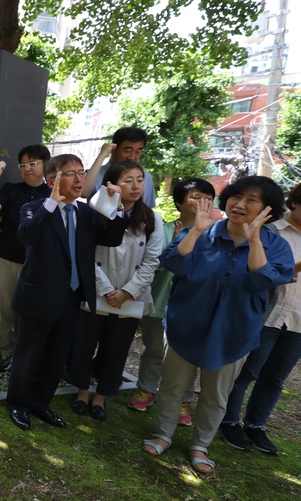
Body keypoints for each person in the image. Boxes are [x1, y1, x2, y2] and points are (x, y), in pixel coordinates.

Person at [142, 176, 293, 474]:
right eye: (237, 196)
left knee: (215, 395)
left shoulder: (275, 246)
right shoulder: (201, 232)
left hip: (233, 333)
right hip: (185, 325)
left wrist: (253, 241)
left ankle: (200, 446)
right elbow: (173, 264)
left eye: (252, 200)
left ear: (268, 210)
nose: (240, 204)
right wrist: (196, 231)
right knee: (172, 386)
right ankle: (163, 434)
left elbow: (261, 280)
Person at [6, 154, 129, 430]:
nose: (79, 179)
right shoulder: (33, 207)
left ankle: (40, 404)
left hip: (72, 297)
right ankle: (18, 404)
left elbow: (111, 238)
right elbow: (26, 235)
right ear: (53, 180)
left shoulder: (86, 213)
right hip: (37, 296)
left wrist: (118, 206)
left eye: (81, 173)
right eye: (70, 173)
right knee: (28, 355)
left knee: (56, 356)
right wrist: (51, 203)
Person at [68, 161, 163, 421]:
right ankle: (83, 391)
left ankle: (102, 396)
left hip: (129, 298)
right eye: (128, 180)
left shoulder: (152, 218)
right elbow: (86, 255)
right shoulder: (96, 212)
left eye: (140, 180)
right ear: (111, 184)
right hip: (96, 291)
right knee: (84, 345)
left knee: (116, 349)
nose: (135, 186)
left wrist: (128, 291)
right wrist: (108, 289)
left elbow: (152, 261)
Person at [219, 182, 301, 455]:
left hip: (298, 319)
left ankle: (256, 425)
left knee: (275, 378)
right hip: (266, 315)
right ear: (295, 203)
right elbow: (258, 272)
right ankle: (228, 420)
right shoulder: (269, 230)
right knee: (246, 373)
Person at [129, 179, 215, 424]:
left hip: (195, 307)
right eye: (196, 197)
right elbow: (151, 266)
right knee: (155, 350)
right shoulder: (163, 230)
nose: (202, 202)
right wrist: (177, 248)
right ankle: (146, 389)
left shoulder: (217, 234)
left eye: (207, 197)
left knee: (189, 357)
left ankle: (183, 401)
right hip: (161, 300)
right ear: (179, 202)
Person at [0, 144, 51, 372]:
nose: (27, 169)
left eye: (33, 164)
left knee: (33, 312)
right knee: (4, 311)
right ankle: (4, 352)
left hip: (39, 263)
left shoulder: (51, 193)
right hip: (7, 259)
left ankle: (28, 355)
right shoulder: (12, 189)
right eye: (23, 165)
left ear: (45, 165)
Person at [84, 127, 157, 208]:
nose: (132, 157)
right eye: (128, 151)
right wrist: (102, 155)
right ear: (113, 149)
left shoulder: (146, 177)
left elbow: (148, 210)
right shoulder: (95, 176)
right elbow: (84, 193)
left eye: (138, 152)